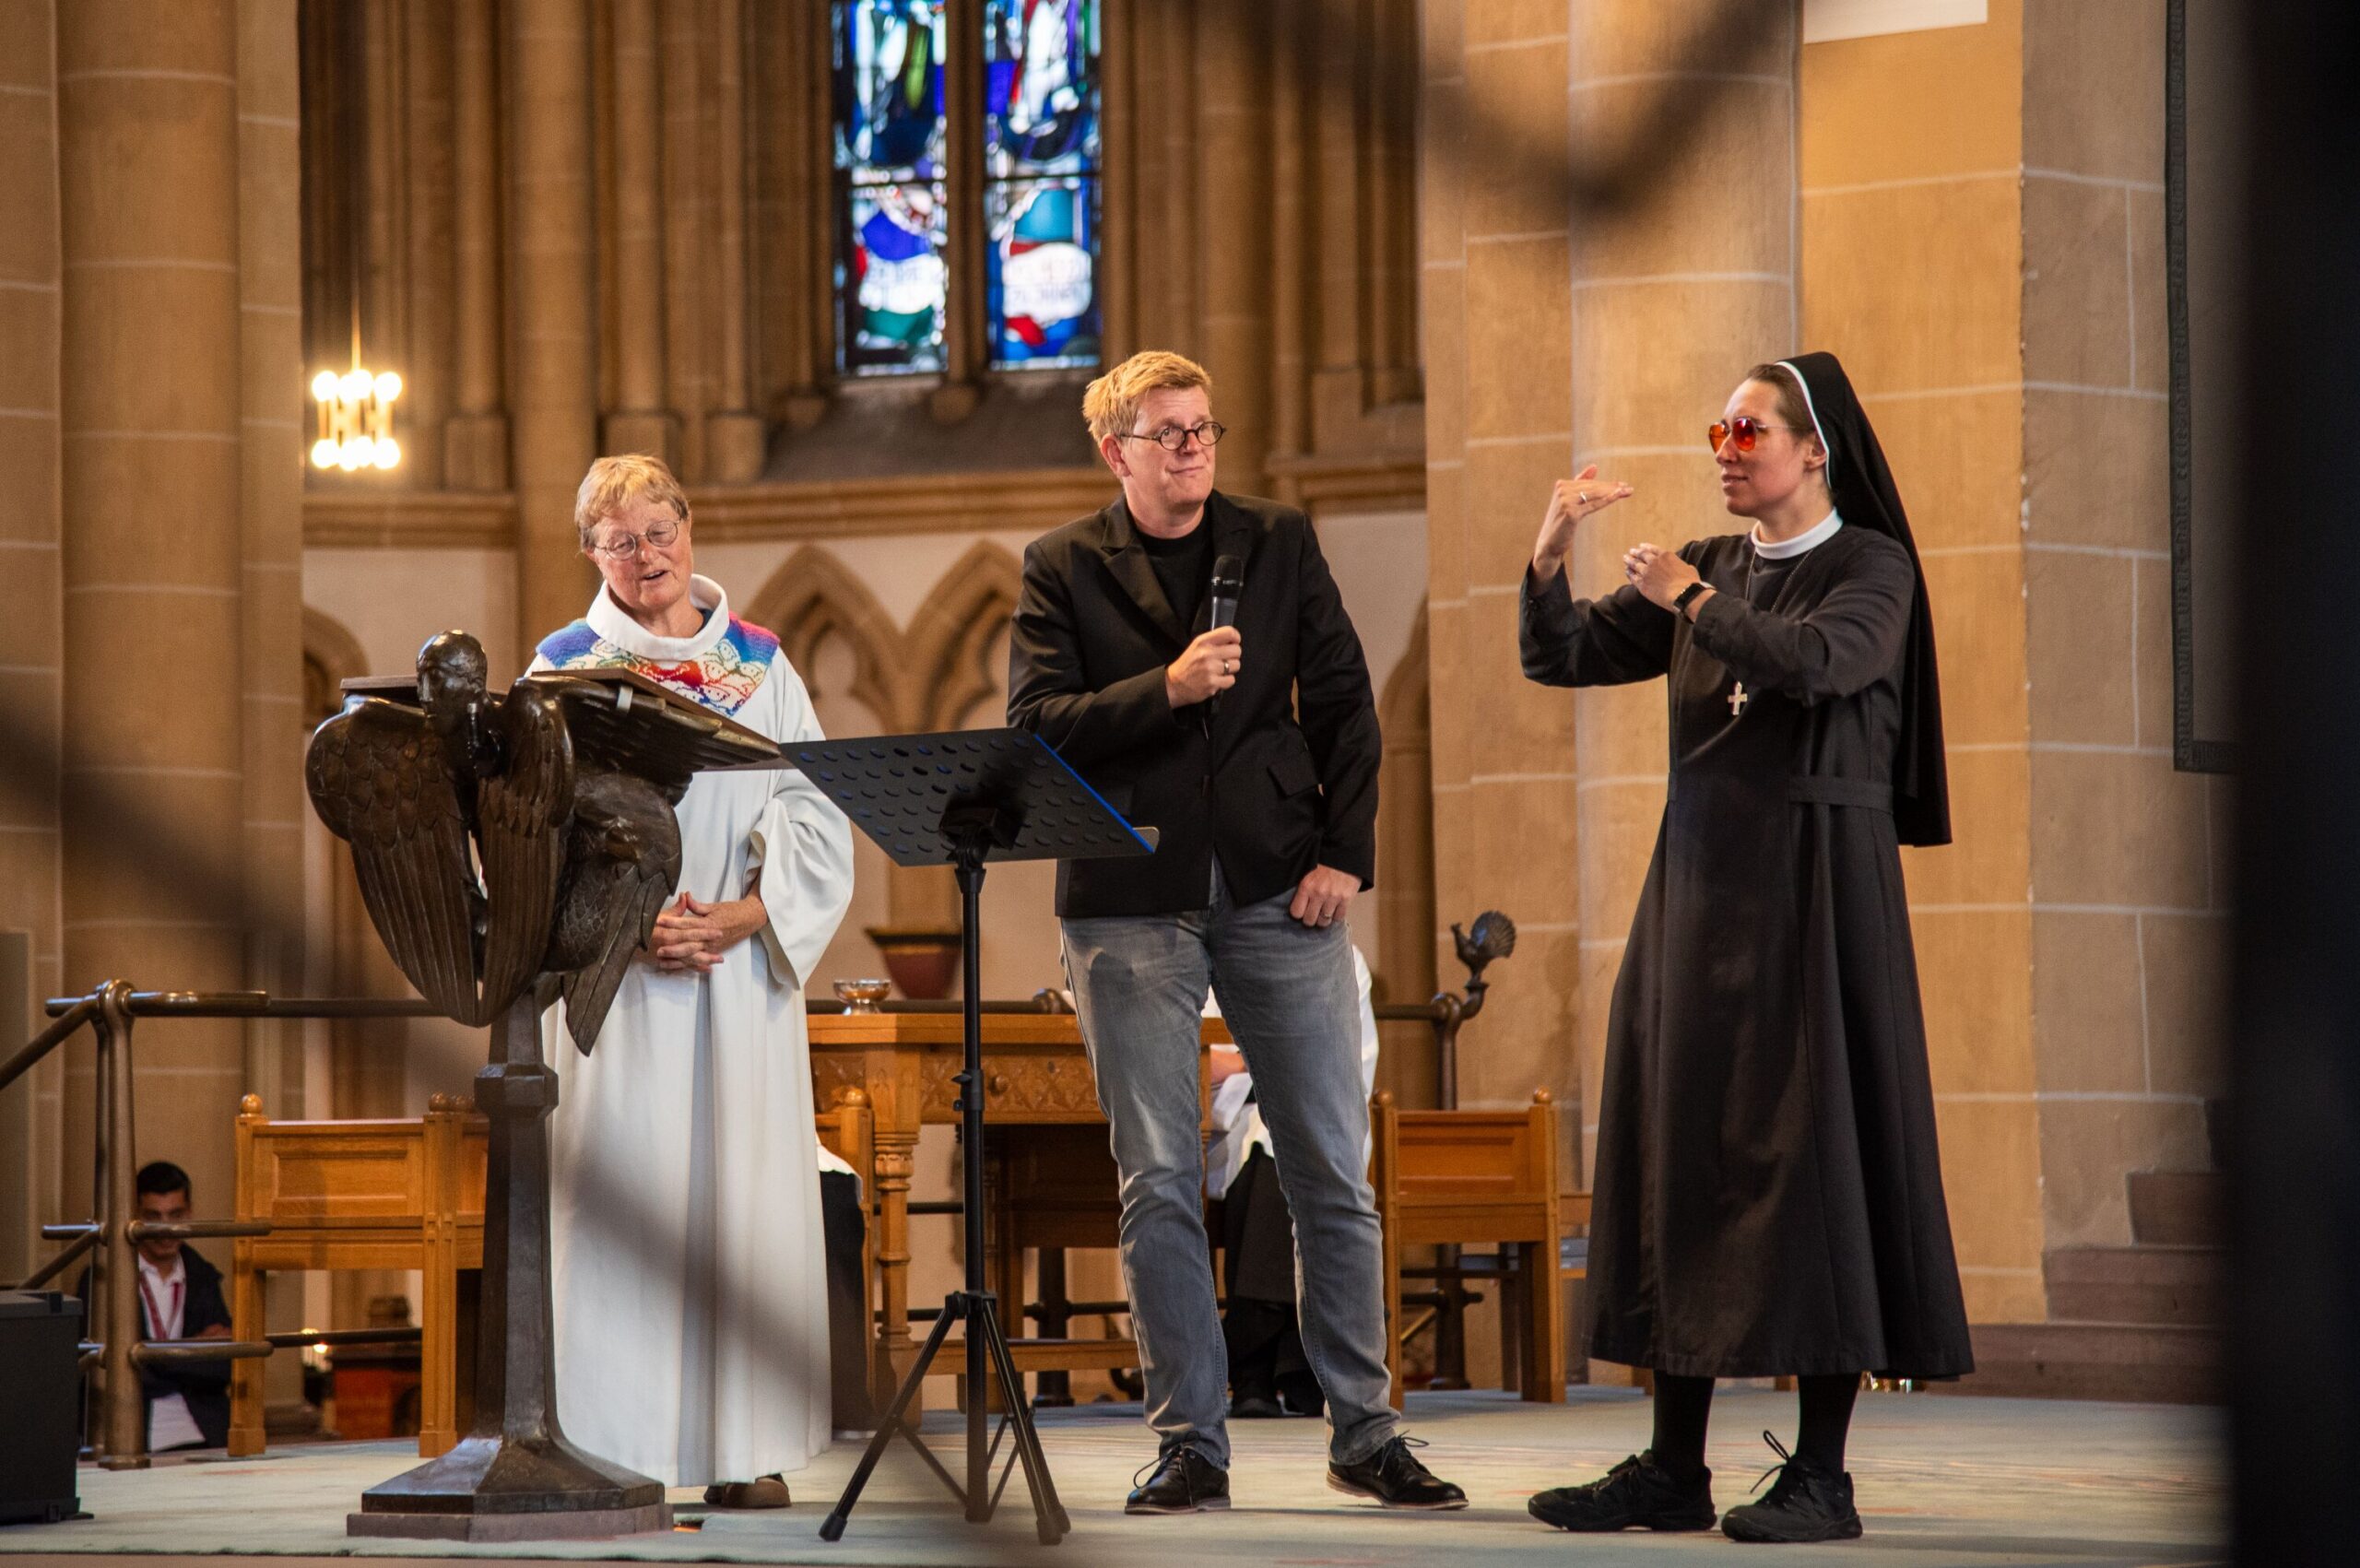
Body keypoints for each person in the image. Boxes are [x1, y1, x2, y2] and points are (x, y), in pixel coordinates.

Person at [1516, 354, 1972, 1545]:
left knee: (1819, 1160)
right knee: (1685, 1149)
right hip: (1702, 890)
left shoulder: (1873, 567)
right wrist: (1550, 547)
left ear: (1814, 450)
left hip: (1821, 889)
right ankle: (1674, 1467)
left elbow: (1819, 665)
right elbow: (1561, 654)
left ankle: (1822, 1473)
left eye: (1748, 429)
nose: (1724, 447)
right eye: (1715, 429)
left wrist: (1694, 604)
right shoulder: (1704, 566)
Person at [1008, 349, 1463, 1515]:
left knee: (1328, 1172)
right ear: (1117, 451)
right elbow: (1038, 727)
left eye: (1205, 427)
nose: (1195, 448)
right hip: (1127, 900)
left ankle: (1364, 1430)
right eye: (1169, 433)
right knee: (1157, 1178)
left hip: (1279, 886)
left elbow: (1348, 702)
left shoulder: (1276, 540)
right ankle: (1190, 1442)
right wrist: (1162, 687)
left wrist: (1343, 851)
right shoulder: (1062, 565)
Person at [536, 454, 856, 1505]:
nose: (645, 556)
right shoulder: (564, 671)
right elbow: (530, 837)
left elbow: (817, 810)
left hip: (739, 977)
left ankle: (740, 1446)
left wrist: (751, 912)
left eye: (659, 530)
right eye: (619, 541)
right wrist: (627, 936)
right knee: (628, 1210)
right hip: (616, 989)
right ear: (591, 553)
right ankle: (612, 1447)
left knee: (742, 1210)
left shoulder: (762, 665)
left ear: (689, 525)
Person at [1207, 948, 1381, 1421]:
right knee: (1263, 1148)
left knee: (1283, 1147)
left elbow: (1344, 1055)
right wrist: (1255, 1064)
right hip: (1220, 1129)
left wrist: (1243, 1063)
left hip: (1317, 1109)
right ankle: (1294, 1366)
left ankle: (1255, 1365)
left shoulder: (1341, 954)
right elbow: (1197, 1058)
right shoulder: (1211, 945)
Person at [78, 1161, 235, 1451]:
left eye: (175, 1215)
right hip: (132, 1435)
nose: (165, 1229)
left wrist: (145, 1353)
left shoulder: (203, 1275)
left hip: (206, 1432)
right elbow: (106, 1372)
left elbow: (223, 1367)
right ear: (134, 1217)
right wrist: (192, 1351)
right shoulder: (102, 1279)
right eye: (154, 1216)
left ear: (189, 1213)